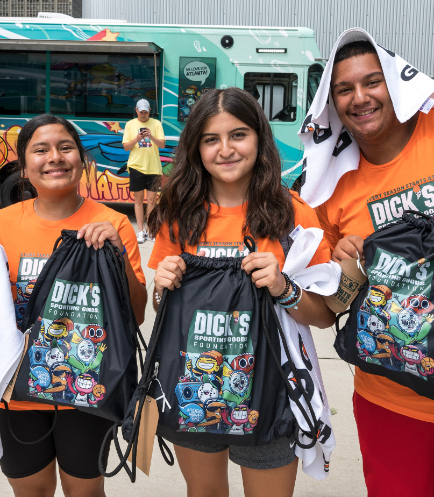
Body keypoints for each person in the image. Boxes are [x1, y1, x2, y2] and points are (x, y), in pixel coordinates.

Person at [147, 87, 334, 497]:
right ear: (195, 148)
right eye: (211, 139)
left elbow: (324, 316)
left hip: (272, 390)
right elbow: (162, 308)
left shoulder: (294, 215)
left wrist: (284, 287)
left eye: (238, 135)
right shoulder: (178, 215)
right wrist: (162, 286)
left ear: (260, 139)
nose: (225, 149)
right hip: (193, 384)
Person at [315, 40, 434, 496]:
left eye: (373, 82)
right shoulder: (328, 184)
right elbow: (331, 308)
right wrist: (348, 269)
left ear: (398, 84)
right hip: (392, 398)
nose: (360, 98)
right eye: (344, 89)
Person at [0, 114, 147, 497]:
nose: (55, 158)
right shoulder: (2, 225)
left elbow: (137, 314)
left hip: (86, 392)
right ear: (23, 165)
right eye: (41, 150)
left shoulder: (114, 224)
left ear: (81, 159)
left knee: (84, 492)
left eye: (66, 148)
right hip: (15, 395)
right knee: (30, 491)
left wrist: (116, 256)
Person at [122, 98, 166, 243]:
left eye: (145, 112)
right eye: (141, 112)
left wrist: (151, 136)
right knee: (139, 200)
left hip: (153, 167)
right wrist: (137, 138)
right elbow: (126, 147)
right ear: (136, 111)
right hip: (136, 166)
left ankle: (150, 230)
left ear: (149, 111)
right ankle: (141, 231)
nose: (143, 115)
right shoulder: (130, 124)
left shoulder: (156, 123)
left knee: (152, 201)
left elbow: (163, 145)